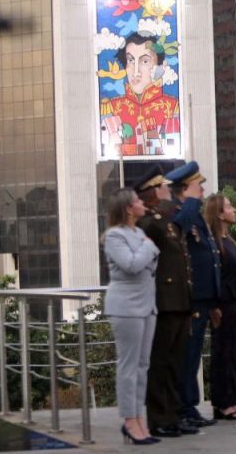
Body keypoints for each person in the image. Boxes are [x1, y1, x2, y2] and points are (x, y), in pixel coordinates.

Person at [136, 167, 197, 438]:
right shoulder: (149, 222)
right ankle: (158, 418)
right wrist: (163, 208)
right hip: (163, 301)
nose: (167, 191)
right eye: (162, 187)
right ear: (152, 193)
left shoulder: (166, 221)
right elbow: (153, 235)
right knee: (160, 363)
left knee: (175, 363)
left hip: (179, 300)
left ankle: (173, 415)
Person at [103, 188, 161, 445]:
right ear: (128, 208)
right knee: (128, 366)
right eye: (137, 200)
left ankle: (139, 418)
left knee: (142, 365)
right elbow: (131, 264)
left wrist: (146, 248)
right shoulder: (114, 236)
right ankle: (129, 420)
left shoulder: (138, 233)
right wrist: (148, 247)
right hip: (125, 306)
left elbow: (147, 264)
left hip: (147, 304)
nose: (142, 203)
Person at [168, 162, 220, 429]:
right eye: (198, 186)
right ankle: (183, 408)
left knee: (194, 355)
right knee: (187, 356)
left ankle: (189, 406)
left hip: (202, 298)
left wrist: (214, 299)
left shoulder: (193, 213)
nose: (202, 190)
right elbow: (179, 229)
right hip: (191, 298)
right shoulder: (180, 213)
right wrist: (189, 201)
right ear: (185, 189)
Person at [204, 194, 236, 420]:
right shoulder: (214, 243)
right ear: (220, 213)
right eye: (229, 207)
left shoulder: (227, 240)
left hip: (233, 301)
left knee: (230, 351)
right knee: (222, 351)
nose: (234, 210)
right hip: (222, 303)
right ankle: (223, 402)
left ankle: (231, 400)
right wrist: (214, 305)